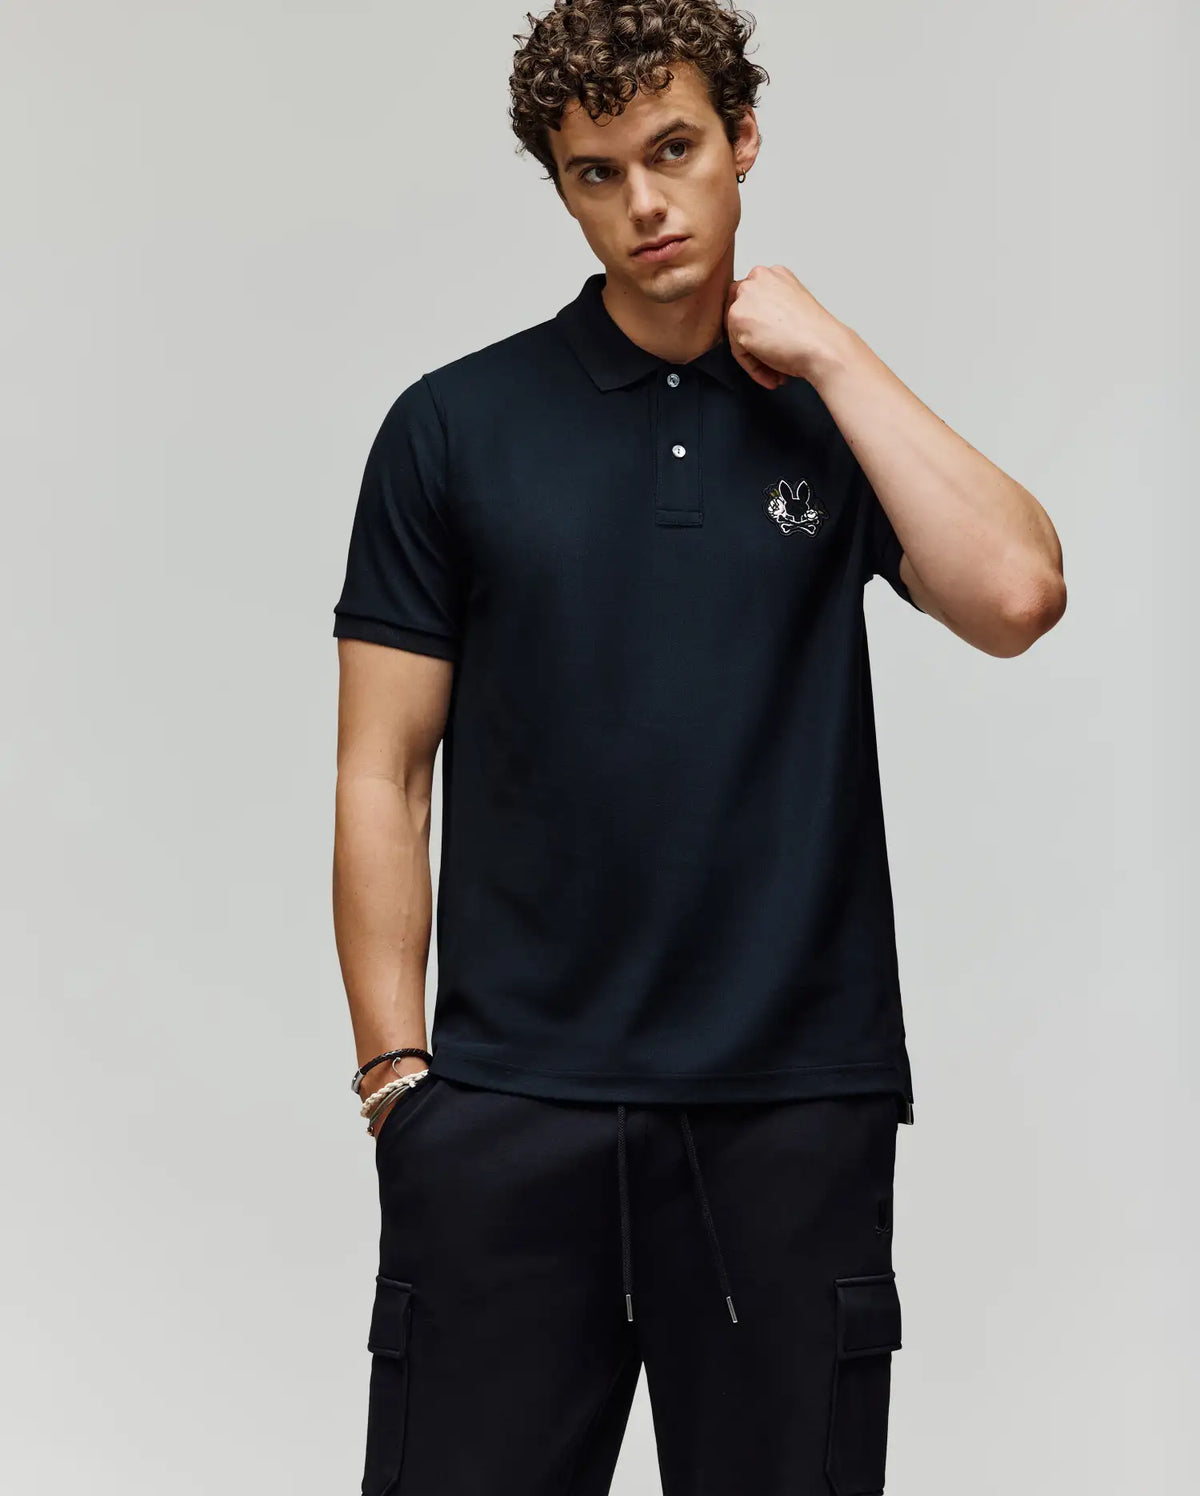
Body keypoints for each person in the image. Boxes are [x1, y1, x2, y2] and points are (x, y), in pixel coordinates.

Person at [330, 3, 1067, 1492]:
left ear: (741, 140)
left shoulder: (828, 420)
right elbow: (380, 772)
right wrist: (397, 1081)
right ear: (562, 188)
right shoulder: (454, 429)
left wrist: (837, 356)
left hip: (788, 1117)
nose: (645, 204)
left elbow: (1018, 593)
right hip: (510, 1115)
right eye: (597, 173)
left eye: (673, 150)